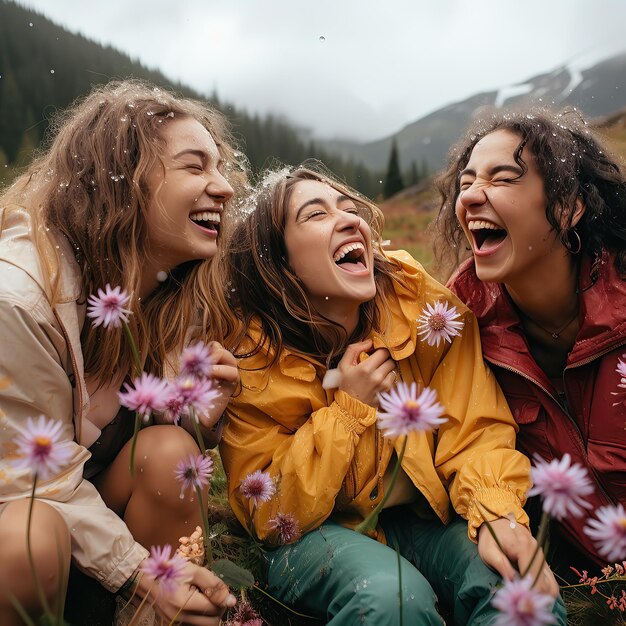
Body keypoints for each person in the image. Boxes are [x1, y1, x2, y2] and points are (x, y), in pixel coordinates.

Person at [218, 165, 566, 625]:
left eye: (348, 207)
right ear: (278, 263)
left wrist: (496, 513)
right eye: (315, 214)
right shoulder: (251, 359)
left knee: (518, 585)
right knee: (392, 600)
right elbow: (270, 509)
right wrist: (349, 408)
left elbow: (475, 426)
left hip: (423, 521)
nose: (348, 220)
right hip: (313, 537)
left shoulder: (420, 306)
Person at [0, 79, 243, 625]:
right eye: (195, 166)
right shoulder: (16, 300)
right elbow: (34, 483)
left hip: (89, 533)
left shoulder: (172, 292)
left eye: (221, 167)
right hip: (19, 538)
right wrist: (143, 573)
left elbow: (130, 443)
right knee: (31, 532)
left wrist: (196, 418)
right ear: (120, 181)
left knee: (172, 453)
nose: (223, 187)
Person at [436, 108, 626, 577]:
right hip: (590, 586)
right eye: (465, 184)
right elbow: (470, 440)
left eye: (502, 179)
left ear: (568, 206)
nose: (473, 196)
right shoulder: (458, 323)